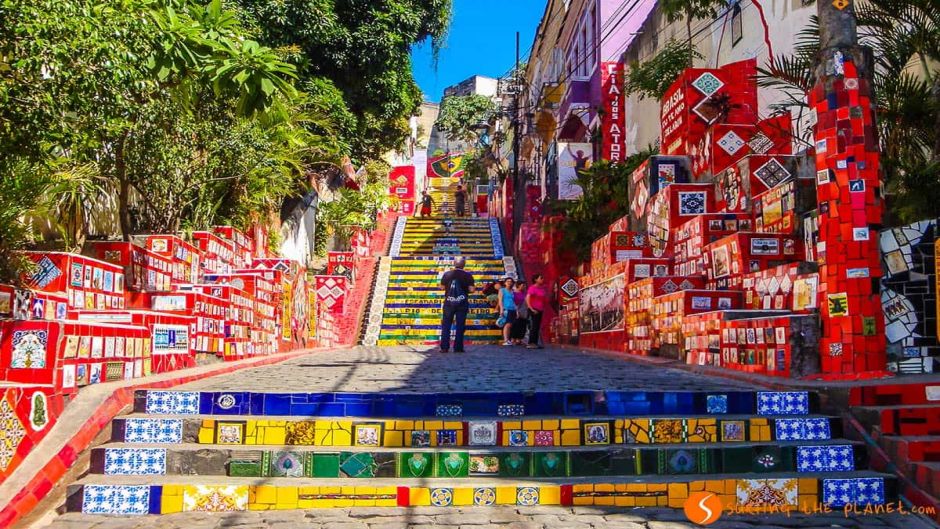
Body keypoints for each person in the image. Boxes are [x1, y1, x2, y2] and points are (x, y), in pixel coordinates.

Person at [439, 256, 474, 353]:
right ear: (464, 264)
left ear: (454, 264)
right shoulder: (468, 275)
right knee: (460, 325)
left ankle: (444, 347)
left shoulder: (447, 274)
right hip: (462, 303)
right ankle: (458, 347)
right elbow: (472, 289)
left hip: (449, 303)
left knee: (446, 325)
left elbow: (441, 287)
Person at [525, 273, 548, 349]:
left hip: (540, 309)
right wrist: (530, 308)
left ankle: (535, 342)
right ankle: (531, 342)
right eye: (540, 278)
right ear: (535, 280)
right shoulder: (532, 288)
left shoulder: (541, 289)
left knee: (537, 326)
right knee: (534, 326)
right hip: (533, 309)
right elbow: (528, 298)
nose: (542, 279)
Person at [497, 277, 517, 346]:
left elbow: (514, 301)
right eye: (508, 281)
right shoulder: (502, 290)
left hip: (513, 309)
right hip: (506, 309)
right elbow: (500, 300)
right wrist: (501, 309)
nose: (509, 282)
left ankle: (508, 339)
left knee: (510, 324)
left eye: (511, 281)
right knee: (507, 324)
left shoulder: (512, 291)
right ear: (505, 283)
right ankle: (506, 340)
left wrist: (516, 310)